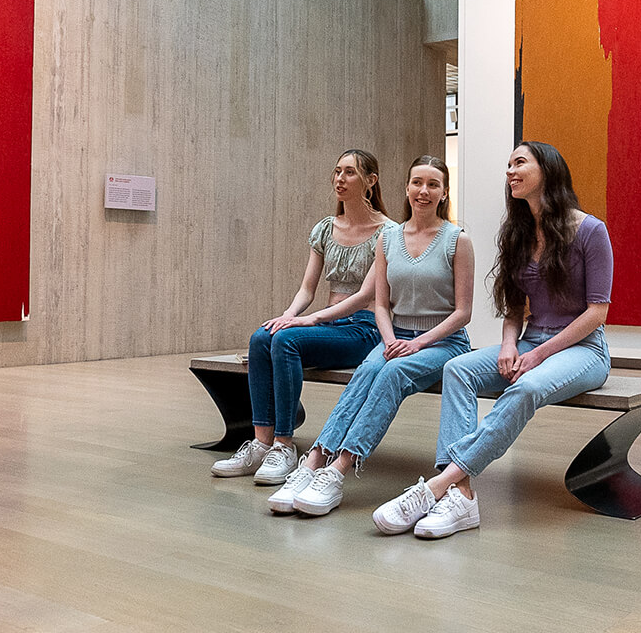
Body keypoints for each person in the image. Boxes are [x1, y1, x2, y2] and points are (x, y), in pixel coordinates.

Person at [372, 141, 612, 538]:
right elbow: (514, 307)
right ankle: (462, 496)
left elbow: (596, 314)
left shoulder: (590, 230)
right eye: (508, 165)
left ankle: (437, 485)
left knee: (526, 387)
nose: (510, 171)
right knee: (457, 369)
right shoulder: (517, 232)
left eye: (520, 163)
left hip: (583, 350)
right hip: (529, 342)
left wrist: (538, 356)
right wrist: (508, 345)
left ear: (548, 171)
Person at [268, 155, 474, 516]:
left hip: (443, 342)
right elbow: (380, 304)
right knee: (367, 371)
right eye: (416, 183)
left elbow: (462, 313)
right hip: (396, 336)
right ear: (406, 188)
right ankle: (312, 462)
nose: (423, 191)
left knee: (392, 373)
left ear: (444, 193)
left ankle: (337, 471)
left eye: (432, 185)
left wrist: (417, 343)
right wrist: (391, 338)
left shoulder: (457, 239)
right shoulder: (389, 238)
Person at [212, 150, 391, 484]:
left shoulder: (387, 232)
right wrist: (289, 314)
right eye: (337, 171)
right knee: (262, 336)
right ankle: (262, 444)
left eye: (350, 173)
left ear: (371, 180)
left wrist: (310, 321)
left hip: (364, 328)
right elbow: (307, 289)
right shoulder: (325, 228)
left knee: (287, 340)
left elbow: (367, 296)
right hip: (329, 323)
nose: (340, 179)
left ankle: (284, 445)